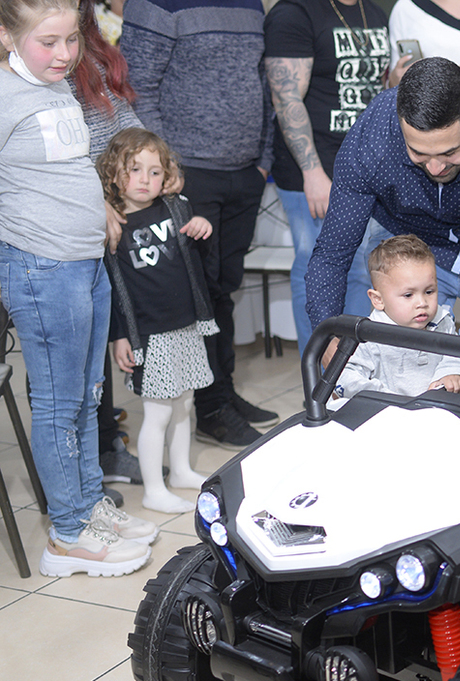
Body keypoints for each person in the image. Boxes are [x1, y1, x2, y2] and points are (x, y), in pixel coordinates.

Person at [0, 0, 157, 578]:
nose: (64, 54)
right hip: (43, 267)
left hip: (85, 261)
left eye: (71, 40)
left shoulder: (54, 86)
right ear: (6, 36)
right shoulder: (5, 95)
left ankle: (89, 507)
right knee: (59, 404)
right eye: (48, 42)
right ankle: (67, 535)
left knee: (89, 397)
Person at [121, 0, 279, 450]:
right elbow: (137, 89)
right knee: (199, 294)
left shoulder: (251, 4)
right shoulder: (154, 5)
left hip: (245, 174)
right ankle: (210, 408)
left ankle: (222, 392)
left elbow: (262, 83)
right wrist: (167, 169)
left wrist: (263, 160)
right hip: (187, 174)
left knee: (223, 290)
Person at [306, 57, 460, 341]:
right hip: (406, 238)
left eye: (450, 152)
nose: (435, 167)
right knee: (400, 357)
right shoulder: (371, 138)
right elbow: (333, 252)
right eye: (419, 153)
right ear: (400, 125)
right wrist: (326, 338)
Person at [98, 129, 217, 514]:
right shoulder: (112, 223)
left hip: (185, 324)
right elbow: (110, 288)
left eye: (154, 172)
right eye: (134, 170)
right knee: (159, 411)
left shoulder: (175, 207)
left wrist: (201, 228)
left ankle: (180, 471)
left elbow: (196, 257)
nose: (145, 180)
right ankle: (153, 490)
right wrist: (119, 336)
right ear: (114, 173)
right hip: (149, 334)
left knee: (184, 403)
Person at [263, 0, 390, 355]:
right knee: (316, 268)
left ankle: (356, 364)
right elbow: (286, 98)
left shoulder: (373, 12)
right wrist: (312, 172)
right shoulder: (294, 12)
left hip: (365, 165)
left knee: (363, 269)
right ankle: (319, 368)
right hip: (315, 166)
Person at [68, 0, 147, 498]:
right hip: (75, 220)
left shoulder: (91, 49)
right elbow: (60, 152)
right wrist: (95, 198)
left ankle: (104, 446)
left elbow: (123, 122)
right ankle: (80, 470)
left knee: (100, 343)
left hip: (109, 211)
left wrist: (154, 165)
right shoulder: (41, 59)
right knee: (77, 358)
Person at [335, 235, 460, 399]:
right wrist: (383, 397)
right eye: (408, 295)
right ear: (378, 300)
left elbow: (454, 353)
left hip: (435, 407)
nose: (422, 303)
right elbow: (345, 378)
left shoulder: (442, 320)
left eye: (429, 291)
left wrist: (451, 372)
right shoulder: (367, 336)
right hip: (387, 411)